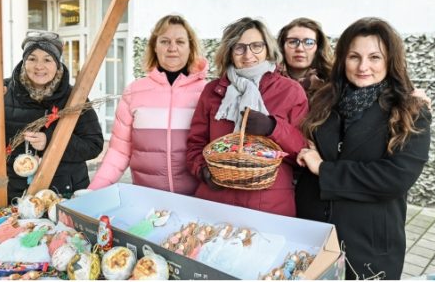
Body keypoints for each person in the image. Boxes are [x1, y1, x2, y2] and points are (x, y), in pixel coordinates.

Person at [295, 18, 431, 279]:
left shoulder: (410, 110)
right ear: (342, 59)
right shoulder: (324, 101)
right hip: (313, 237)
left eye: (375, 57)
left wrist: (324, 169)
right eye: (354, 56)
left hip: (367, 246)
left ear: (390, 61)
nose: (363, 66)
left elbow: (395, 177)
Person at [185, 17, 308, 217]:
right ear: (229, 52)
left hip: (268, 204)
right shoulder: (213, 90)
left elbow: (303, 152)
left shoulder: (290, 91)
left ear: (268, 48)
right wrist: (202, 171)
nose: (248, 54)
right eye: (239, 48)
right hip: (216, 201)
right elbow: (195, 143)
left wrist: (272, 127)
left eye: (256, 46)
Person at [0, 31, 104, 200]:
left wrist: (50, 141)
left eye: (47, 60)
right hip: (16, 193)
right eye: (32, 58)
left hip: (64, 192)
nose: (39, 66)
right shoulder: (1, 91)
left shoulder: (74, 98)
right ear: (24, 61)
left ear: (57, 63)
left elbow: (93, 146)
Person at [88, 15, 208, 195]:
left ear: (190, 47)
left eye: (180, 42)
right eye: (165, 41)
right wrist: (93, 191)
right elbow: (119, 152)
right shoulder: (134, 91)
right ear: (154, 46)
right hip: (147, 199)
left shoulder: (206, 92)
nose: (172, 48)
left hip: (197, 199)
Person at [275, 17, 332, 96]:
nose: (300, 49)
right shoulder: (267, 81)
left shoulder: (332, 85)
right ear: (282, 46)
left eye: (309, 42)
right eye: (293, 42)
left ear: (318, 48)